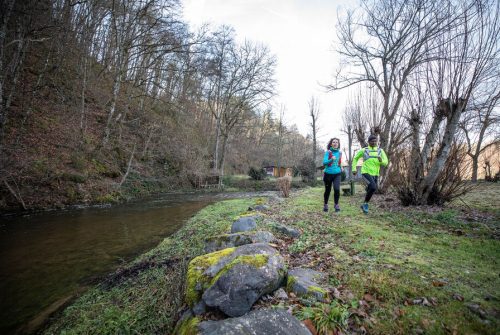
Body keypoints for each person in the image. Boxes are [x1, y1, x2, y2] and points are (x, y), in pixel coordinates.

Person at [352, 134, 389, 214]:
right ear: (368, 142)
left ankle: (364, 204)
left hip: (375, 173)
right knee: (373, 187)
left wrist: (381, 160)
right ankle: (365, 204)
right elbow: (355, 159)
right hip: (365, 171)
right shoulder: (364, 150)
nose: (374, 142)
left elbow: (386, 163)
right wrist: (354, 169)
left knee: (372, 188)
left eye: (375, 141)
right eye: (372, 141)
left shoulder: (380, 151)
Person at [323, 138, 343, 212]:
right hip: (328, 174)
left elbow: (339, 162)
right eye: (333, 142)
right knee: (328, 190)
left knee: (337, 189)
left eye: (336, 142)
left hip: (337, 174)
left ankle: (336, 204)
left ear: (338, 144)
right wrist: (331, 159)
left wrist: (341, 167)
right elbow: (324, 163)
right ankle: (325, 204)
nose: (335, 143)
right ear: (331, 144)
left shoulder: (340, 153)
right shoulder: (328, 152)